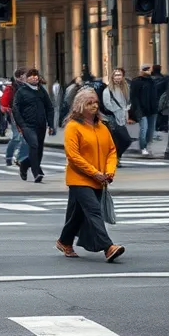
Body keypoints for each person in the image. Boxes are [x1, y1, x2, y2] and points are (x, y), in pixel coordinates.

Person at [56, 87, 124, 262]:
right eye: (89, 103)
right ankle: (108, 247)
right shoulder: (73, 127)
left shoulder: (102, 126)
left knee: (78, 214)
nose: (94, 106)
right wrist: (94, 172)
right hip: (79, 179)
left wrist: (109, 172)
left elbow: (111, 151)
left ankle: (64, 241)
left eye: (95, 102)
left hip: (99, 178)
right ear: (80, 106)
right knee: (94, 211)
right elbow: (73, 156)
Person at [11, 67, 55, 183]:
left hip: (41, 125)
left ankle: (24, 165)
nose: (34, 77)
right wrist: (21, 125)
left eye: (36, 75)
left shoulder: (41, 91)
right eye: (31, 75)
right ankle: (37, 173)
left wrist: (51, 125)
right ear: (26, 78)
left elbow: (49, 108)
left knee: (39, 150)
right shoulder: (21, 92)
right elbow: (15, 109)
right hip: (27, 126)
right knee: (34, 145)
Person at [101, 67, 133, 165]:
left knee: (119, 141)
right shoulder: (108, 90)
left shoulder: (126, 88)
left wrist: (126, 109)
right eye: (116, 75)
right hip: (113, 119)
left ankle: (116, 159)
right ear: (112, 77)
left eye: (120, 75)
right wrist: (118, 110)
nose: (118, 77)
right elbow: (107, 104)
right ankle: (116, 158)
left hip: (123, 117)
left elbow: (128, 101)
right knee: (125, 140)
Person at [129, 64, 157, 157]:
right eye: (146, 69)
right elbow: (134, 97)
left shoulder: (152, 81)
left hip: (152, 109)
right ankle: (143, 147)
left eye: (149, 69)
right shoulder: (136, 81)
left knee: (151, 130)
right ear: (141, 71)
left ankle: (148, 146)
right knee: (144, 128)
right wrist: (137, 109)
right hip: (141, 109)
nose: (148, 71)